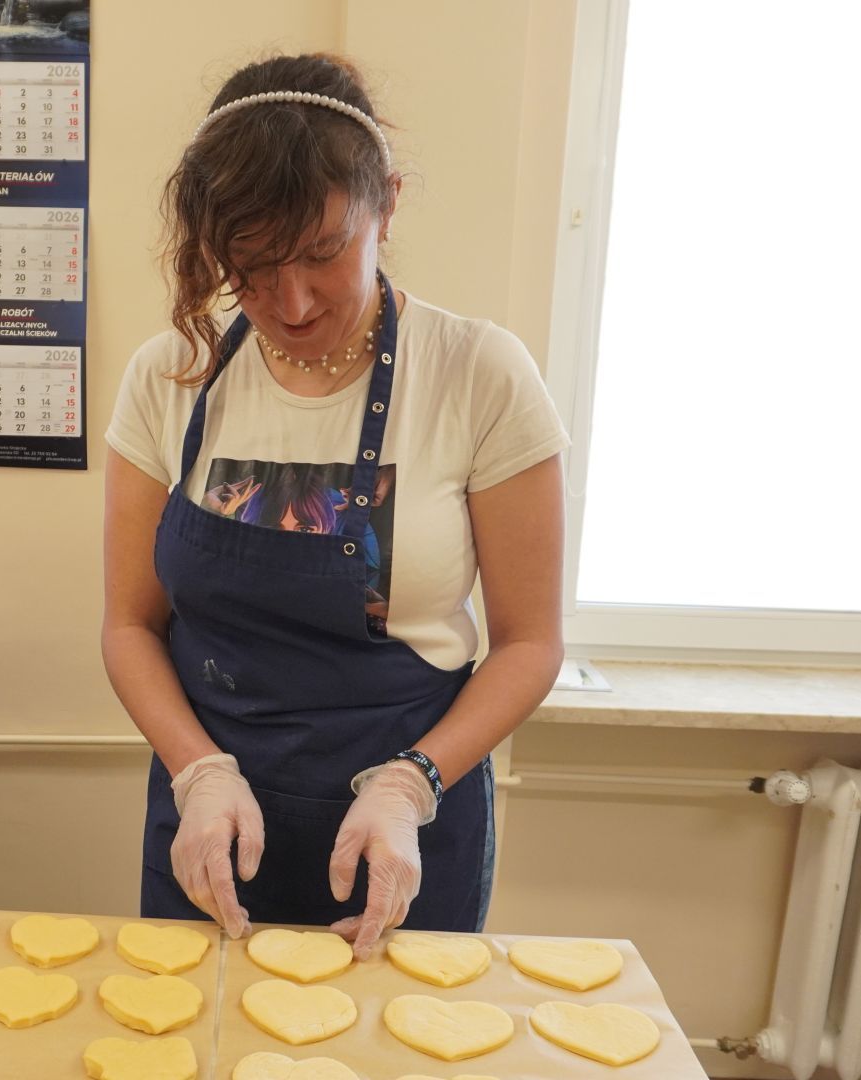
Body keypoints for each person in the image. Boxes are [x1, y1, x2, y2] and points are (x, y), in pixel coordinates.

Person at [102, 54, 569, 958]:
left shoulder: (479, 372)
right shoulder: (169, 376)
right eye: (251, 267)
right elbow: (129, 625)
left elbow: (530, 643)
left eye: (323, 253)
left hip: (404, 824)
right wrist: (197, 772)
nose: (293, 299)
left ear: (385, 204)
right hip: (212, 820)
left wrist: (410, 787)